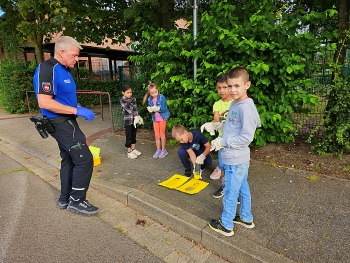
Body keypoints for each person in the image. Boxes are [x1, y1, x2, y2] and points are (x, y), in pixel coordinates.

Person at [33, 36, 99, 216]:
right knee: (84, 159)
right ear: (61, 52)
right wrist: (75, 111)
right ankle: (77, 200)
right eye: (75, 55)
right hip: (60, 123)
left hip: (67, 120)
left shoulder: (64, 69)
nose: (77, 59)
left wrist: (78, 108)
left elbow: (62, 97)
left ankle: (65, 198)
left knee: (69, 159)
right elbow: (45, 102)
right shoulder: (47, 68)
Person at [208, 66, 261, 237]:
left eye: (237, 86)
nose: (232, 90)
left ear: (247, 85)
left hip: (235, 159)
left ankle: (226, 225)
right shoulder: (235, 103)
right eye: (229, 86)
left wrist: (223, 141)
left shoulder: (245, 107)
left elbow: (247, 137)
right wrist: (217, 126)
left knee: (231, 192)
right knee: (242, 187)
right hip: (237, 159)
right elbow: (232, 124)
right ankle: (246, 218)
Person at [201, 73, 234, 199]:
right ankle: (224, 187)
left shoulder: (235, 103)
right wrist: (211, 124)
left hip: (233, 141)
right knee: (222, 165)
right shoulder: (217, 104)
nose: (222, 90)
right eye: (219, 88)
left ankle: (234, 191)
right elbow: (216, 120)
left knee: (233, 168)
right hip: (221, 141)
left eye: (225, 87)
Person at [142, 81, 170, 158]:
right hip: (155, 119)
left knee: (162, 135)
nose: (154, 94)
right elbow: (150, 107)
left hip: (162, 118)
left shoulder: (162, 97)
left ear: (157, 90)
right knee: (157, 136)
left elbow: (164, 109)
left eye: (155, 92)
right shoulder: (149, 99)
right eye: (152, 93)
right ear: (149, 93)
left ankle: (164, 150)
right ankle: (158, 150)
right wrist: (150, 109)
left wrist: (158, 109)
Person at [120, 83, 143, 159]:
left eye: (131, 92)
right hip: (128, 120)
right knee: (129, 136)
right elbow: (129, 110)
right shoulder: (122, 100)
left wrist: (137, 116)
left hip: (134, 121)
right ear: (123, 92)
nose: (130, 94)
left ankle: (133, 149)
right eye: (128, 93)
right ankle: (129, 151)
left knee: (134, 135)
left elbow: (135, 108)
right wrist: (135, 115)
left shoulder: (134, 99)